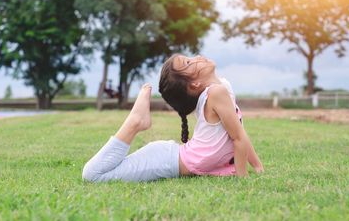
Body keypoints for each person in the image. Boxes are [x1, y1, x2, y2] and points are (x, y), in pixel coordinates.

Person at [82, 54, 263, 182]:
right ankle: (135, 121)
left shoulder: (222, 87)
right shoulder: (217, 92)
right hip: (166, 161)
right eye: (189, 62)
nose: (198, 57)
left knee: (98, 174)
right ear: (195, 84)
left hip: (171, 156)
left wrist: (257, 166)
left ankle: (136, 121)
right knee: (93, 175)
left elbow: (239, 133)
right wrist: (243, 177)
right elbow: (238, 138)